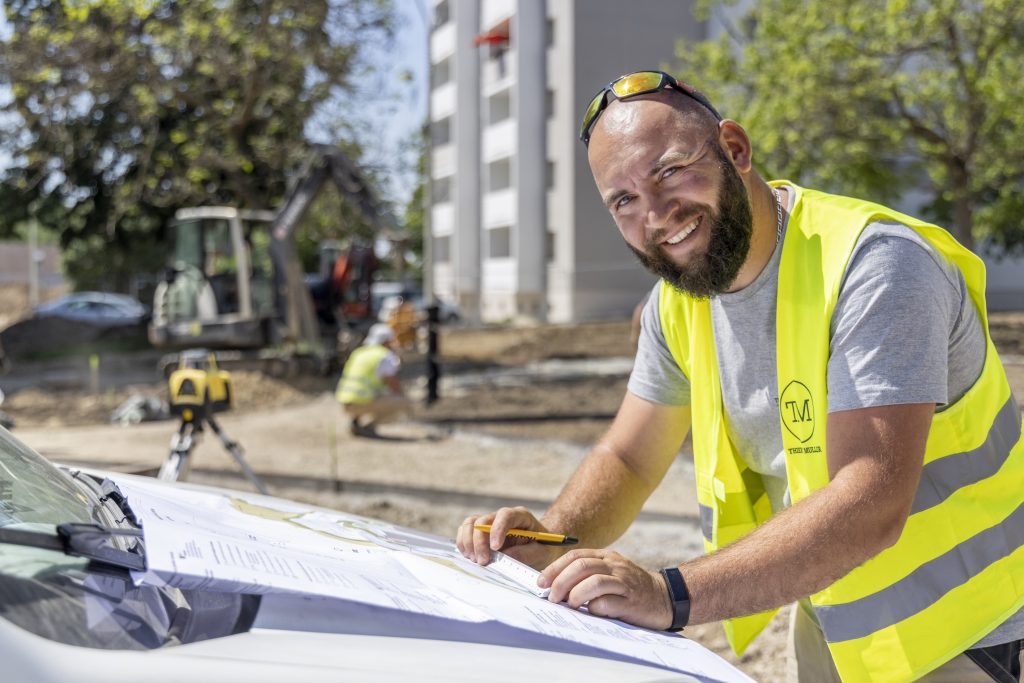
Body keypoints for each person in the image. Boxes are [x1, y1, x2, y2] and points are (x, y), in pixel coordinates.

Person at [456, 71, 1024, 683]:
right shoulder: (679, 302)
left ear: (735, 149)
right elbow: (629, 457)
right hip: (839, 612)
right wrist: (552, 537)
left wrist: (668, 594)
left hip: (965, 627)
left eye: (670, 171)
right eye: (622, 200)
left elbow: (872, 499)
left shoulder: (877, 265)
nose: (654, 214)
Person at [335, 323, 411, 437]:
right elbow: (394, 384)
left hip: (345, 402)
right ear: (387, 341)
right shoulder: (384, 356)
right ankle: (369, 427)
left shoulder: (358, 352)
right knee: (403, 402)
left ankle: (356, 422)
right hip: (361, 402)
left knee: (369, 391)